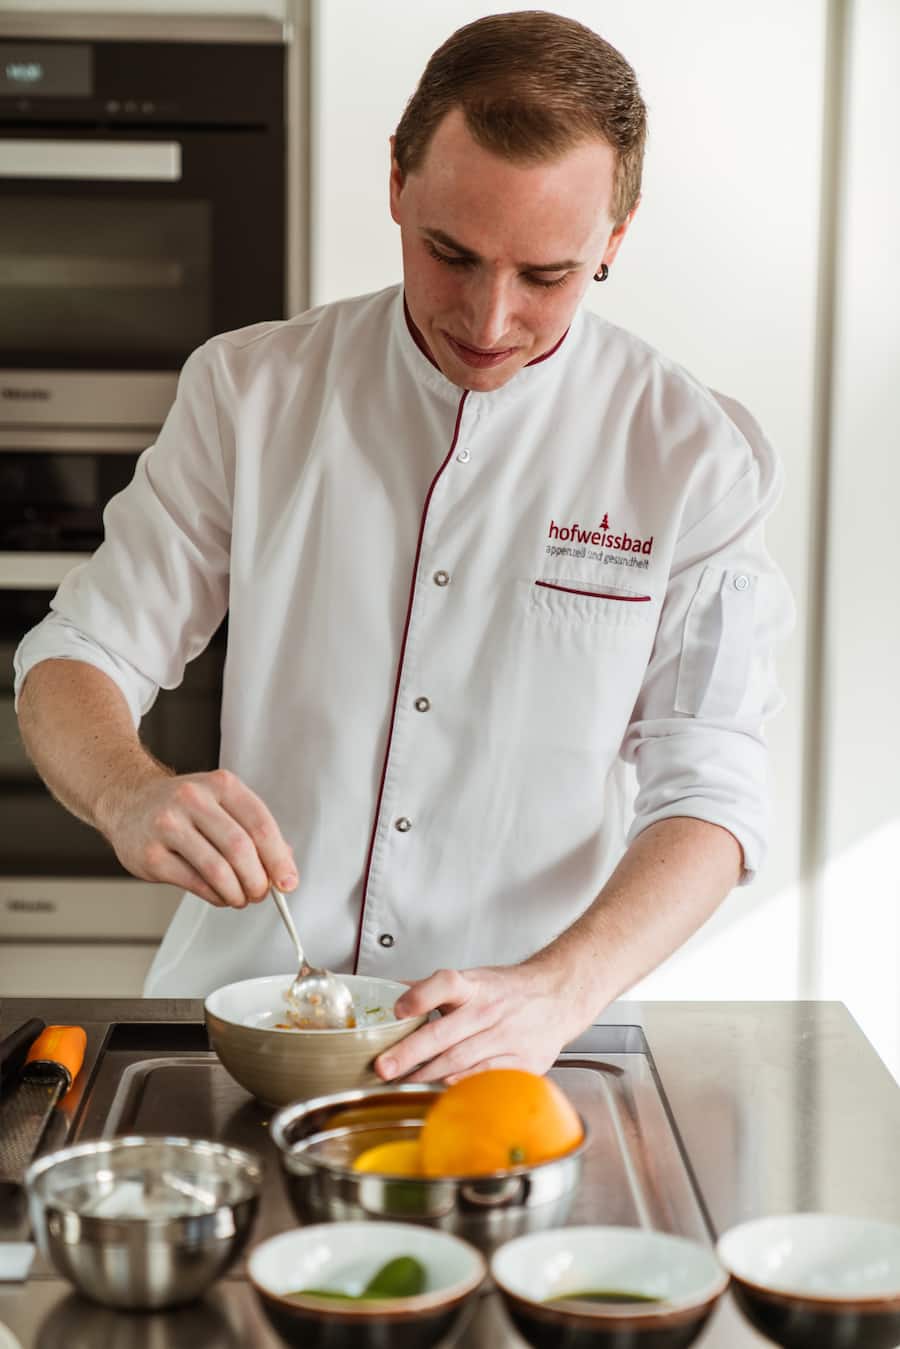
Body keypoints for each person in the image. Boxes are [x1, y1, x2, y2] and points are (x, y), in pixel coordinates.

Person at [14, 11, 792, 1084]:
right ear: (395, 182)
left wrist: (560, 987)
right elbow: (73, 656)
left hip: (520, 1050)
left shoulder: (694, 454)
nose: (489, 315)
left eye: (548, 275)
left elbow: (713, 792)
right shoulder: (252, 392)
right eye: (451, 253)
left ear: (616, 233)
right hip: (238, 1034)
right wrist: (126, 791)